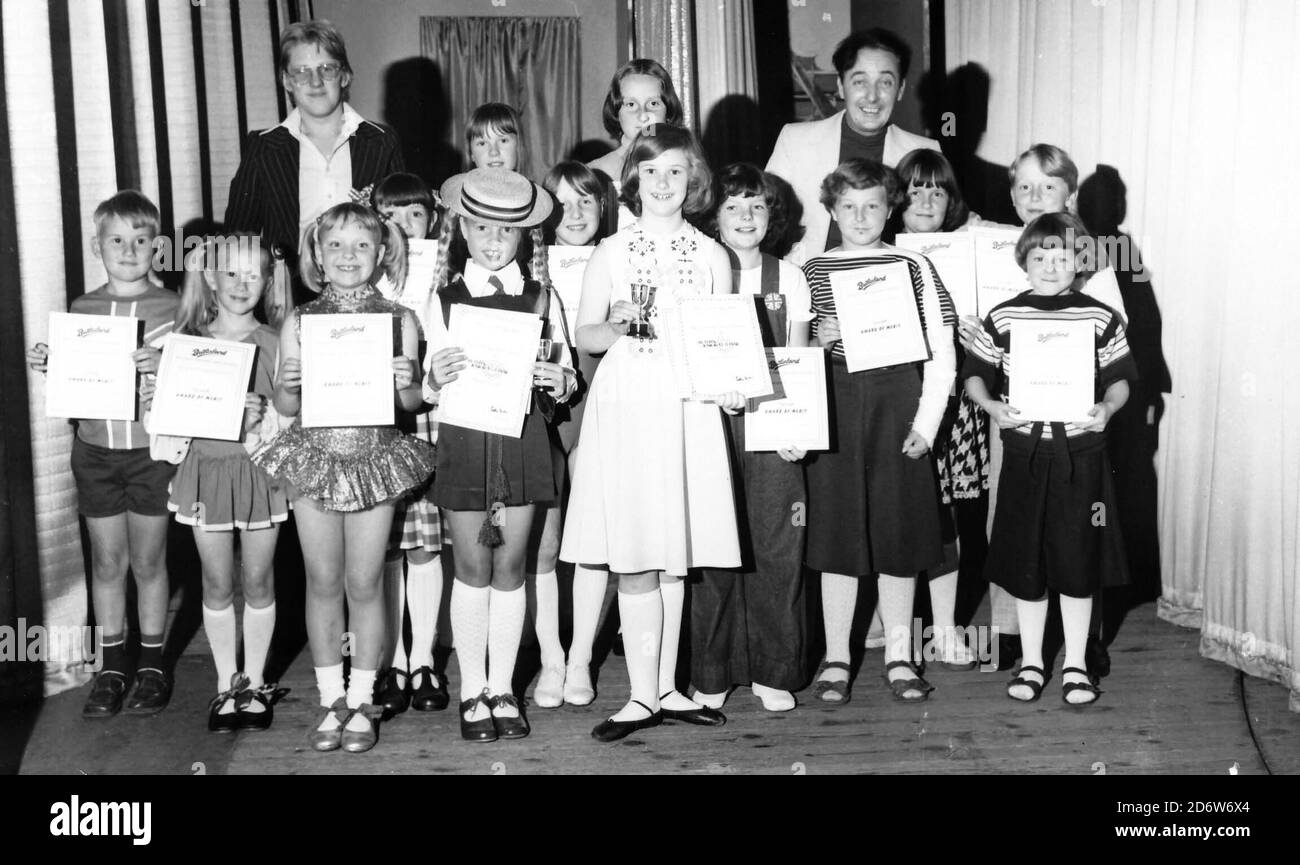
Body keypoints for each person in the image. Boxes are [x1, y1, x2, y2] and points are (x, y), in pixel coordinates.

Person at [560, 124, 742, 742]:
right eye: (651, 170)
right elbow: (583, 335)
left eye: (676, 170)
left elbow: (724, 341)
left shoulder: (715, 255)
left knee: (674, 554)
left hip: (688, 406)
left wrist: (734, 380)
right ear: (632, 178)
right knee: (637, 550)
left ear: (694, 179)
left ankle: (665, 688)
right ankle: (639, 695)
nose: (663, 182)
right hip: (630, 403)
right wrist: (611, 328)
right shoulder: (611, 252)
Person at [254, 203, 435, 753]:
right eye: (336, 245)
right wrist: (287, 381)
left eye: (361, 245)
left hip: (376, 460)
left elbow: (405, 404)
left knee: (364, 582)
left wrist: (409, 380)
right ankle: (330, 696)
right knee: (323, 581)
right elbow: (287, 403)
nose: (348, 256)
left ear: (381, 253)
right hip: (314, 456)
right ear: (317, 255)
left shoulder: (401, 319)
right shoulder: (300, 320)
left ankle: (363, 697)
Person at [956, 143, 1129, 673]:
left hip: (1074, 422)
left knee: (1081, 528)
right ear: (1011, 194)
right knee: (1010, 523)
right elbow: (975, 350)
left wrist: (1104, 404)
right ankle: (1012, 632)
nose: (1035, 196)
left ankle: (1084, 642)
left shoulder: (1092, 261)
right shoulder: (987, 247)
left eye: (1047, 187)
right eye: (1024, 186)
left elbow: (1114, 349)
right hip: (1017, 420)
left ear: (1069, 195)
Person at [424, 168, 576, 742]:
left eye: (505, 233)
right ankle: (470, 691)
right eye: (482, 228)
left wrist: (558, 378)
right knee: (471, 567)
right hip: (464, 441)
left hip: (522, 440)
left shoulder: (543, 297)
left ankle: (503, 688)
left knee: (512, 568)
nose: (493, 241)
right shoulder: (441, 301)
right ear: (462, 228)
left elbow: (566, 379)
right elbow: (426, 383)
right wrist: (433, 376)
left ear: (524, 238)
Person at [801, 159, 956, 703]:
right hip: (839, 407)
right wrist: (819, 339)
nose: (861, 216)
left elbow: (942, 351)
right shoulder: (812, 270)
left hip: (899, 403)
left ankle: (898, 655)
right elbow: (794, 357)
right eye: (849, 206)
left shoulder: (912, 267)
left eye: (872, 205)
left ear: (891, 209)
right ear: (832, 210)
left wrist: (927, 423)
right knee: (837, 534)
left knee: (898, 534)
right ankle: (837, 655)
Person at [26, 191, 178, 719]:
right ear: (98, 246)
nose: (129, 249)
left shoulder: (175, 308)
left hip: (151, 453)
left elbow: (197, 382)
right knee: (108, 562)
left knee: (149, 560)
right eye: (117, 240)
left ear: (157, 248)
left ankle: (154, 665)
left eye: (141, 240)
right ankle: (113, 667)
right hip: (94, 452)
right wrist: (52, 361)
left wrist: (165, 363)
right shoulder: (81, 309)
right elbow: (77, 379)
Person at [690, 164, 813, 712]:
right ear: (714, 217)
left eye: (757, 206)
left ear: (772, 217)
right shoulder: (696, 271)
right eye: (734, 206)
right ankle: (711, 671)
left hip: (771, 427)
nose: (746, 217)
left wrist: (797, 428)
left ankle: (774, 668)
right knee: (712, 547)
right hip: (707, 423)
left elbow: (801, 357)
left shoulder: (788, 276)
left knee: (776, 545)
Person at [168, 235, 292, 732]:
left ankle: (255, 682)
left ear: (267, 281)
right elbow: (167, 421)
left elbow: (292, 417)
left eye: (253, 275)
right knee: (218, 582)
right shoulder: (186, 342)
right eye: (231, 274)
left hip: (260, 473)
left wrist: (264, 415)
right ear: (211, 279)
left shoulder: (277, 341)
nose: (242, 284)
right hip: (206, 474)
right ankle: (226, 685)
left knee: (259, 580)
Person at [888, 148, 984, 669]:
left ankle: (945, 631)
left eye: (938, 189)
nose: (926, 199)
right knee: (890, 512)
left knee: (945, 516)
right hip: (893, 398)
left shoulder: (973, 252)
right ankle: (886, 627)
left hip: (951, 404)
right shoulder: (876, 251)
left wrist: (981, 330)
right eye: (916, 188)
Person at [224, 20, 404, 294]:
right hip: (287, 294)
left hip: (367, 290)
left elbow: (401, 227)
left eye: (326, 69)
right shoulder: (263, 147)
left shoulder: (381, 141)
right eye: (301, 71)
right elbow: (239, 236)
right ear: (286, 80)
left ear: (344, 75)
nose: (315, 81)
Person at [530, 161, 614, 708]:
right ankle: (549, 659)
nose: (576, 213)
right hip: (543, 415)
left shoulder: (619, 261)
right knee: (546, 541)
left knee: (593, 536)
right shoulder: (528, 269)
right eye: (564, 202)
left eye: (587, 201)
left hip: (602, 407)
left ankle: (581, 656)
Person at [370, 173, 449, 716]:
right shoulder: (362, 287)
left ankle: (424, 658)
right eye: (390, 217)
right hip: (376, 425)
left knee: (424, 540)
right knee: (387, 544)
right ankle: (392, 659)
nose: (402, 226)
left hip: (431, 422)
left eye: (413, 215)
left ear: (433, 222)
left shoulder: (445, 281)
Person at [766, 28, 940, 264]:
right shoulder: (795, 140)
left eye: (885, 83)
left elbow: (954, 216)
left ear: (900, 89)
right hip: (809, 281)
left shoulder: (924, 151)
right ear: (840, 85)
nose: (872, 96)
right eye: (860, 81)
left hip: (894, 284)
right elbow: (765, 213)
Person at [587, 59, 686, 233]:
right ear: (616, 112)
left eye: (653, 104)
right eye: (631, 105)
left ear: (668, 110)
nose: (643, 115)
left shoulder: (687, 165)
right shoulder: (596, 172)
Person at [465, 102, 529, 177]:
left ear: (518, 146)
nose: (494, 152)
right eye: (482, 143)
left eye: (503, 141)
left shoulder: (535, 188)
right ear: (471, 153)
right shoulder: (454, 188)